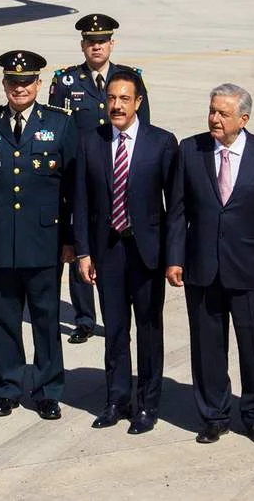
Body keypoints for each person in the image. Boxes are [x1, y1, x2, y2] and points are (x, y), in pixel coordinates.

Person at [0, 49, 78, 420]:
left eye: (27, 81)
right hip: (0, 240)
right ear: (4, 84)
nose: (20, 87)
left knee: (45, 318)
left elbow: (73, 189)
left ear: (39, 84)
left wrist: (72, 239)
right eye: (13, 82)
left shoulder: (60, 124)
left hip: (46, 241)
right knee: (3, 318)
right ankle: (8, 388)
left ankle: (47, 391)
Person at [166, 84, 254, 446]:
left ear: (243, 119)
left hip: (250, 266)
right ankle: (214, 415)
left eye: (223, 114)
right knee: (207, 346)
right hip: (202, 266)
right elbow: (178, 209)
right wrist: (174, 258)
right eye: (212, 110)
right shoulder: (190, 149)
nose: (215, 118)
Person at [72, 68, 177, 433]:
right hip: (109, 251)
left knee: (149, 329)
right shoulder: (90, 141)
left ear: (138, 103)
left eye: (124, 99)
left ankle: (148, 404)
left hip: (147, 252)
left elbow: (175, 207)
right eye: (112, 98)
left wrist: (173, 257)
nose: (116, 106)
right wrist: (84, 252)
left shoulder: (161, 142)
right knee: (115, 329)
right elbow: (81, 203)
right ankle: (117, 399)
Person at [48, 13, 151, 345]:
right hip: (80, 174)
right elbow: (57, 131)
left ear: (111, 44)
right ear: (82, 46)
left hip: (117, 173)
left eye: (102, 42)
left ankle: (117, 314)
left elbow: (143, 128)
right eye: (91, 43)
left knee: (115, 242)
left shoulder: (129, 80)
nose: (97, 47)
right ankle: (83, 318)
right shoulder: (65, 82)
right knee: (82, 240)